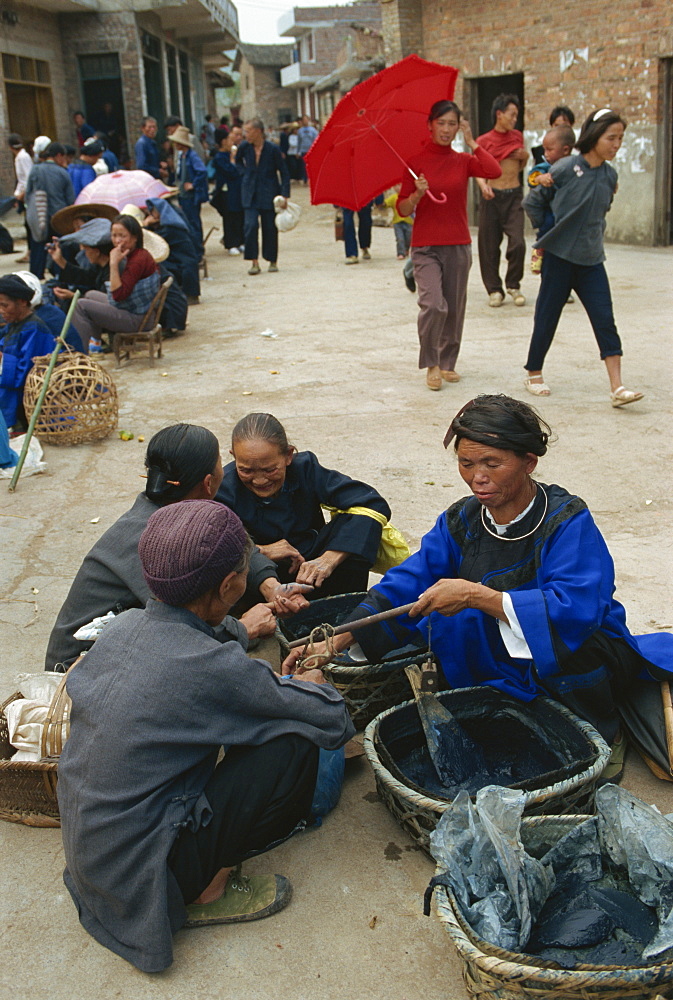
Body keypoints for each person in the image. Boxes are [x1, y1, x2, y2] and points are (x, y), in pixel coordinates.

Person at [283, 394, 673, 779]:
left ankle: (602, 728)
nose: (477, 477)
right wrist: (340, 637)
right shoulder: (463, 519)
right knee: (447, 622)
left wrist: (476, 596)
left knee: (554, 640)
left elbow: (577, 608)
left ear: (528, 462)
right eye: (466, 463)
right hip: (503, 652)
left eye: (492, 463)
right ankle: (498, 710)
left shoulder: (566, 520)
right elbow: (411, 580)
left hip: (573, 651)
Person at [57, 497, 354, 972]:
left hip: (95, 861)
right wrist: (311, 680)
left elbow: (191, 635)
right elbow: (333, 721)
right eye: (244, 571)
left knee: (246, 716)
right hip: (145, 882)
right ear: (230, 585)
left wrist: (239, 634)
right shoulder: (209, 670)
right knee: (293, 740)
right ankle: (205, 890)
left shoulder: (123, 626)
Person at [45, 424, 309, 670]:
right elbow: (181, 621)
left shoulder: (179, 514)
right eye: (221, 464)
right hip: (80, 666)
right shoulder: (153, 537)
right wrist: (243, 629)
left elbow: (229, 545)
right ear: (208, 483)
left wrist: (271, 585)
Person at [523, 108, 643, 407]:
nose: (616, 144)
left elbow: (601, 210)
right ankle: (534, 372)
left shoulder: (610, 175)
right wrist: (548, 229)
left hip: (591, 261)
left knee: (605, 319)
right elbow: (533, 200)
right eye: (611, 138)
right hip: (559, 257)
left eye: (620, 139)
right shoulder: (566, 167)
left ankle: (617, 387)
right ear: (594, 136)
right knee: (547, 317)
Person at [216, 412, 391, 601]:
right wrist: (262, 551)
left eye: (270, 469)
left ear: (289, 456)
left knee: (361, 523)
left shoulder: (305, 469)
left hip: (313, 567)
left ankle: (344, 605)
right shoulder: (224, 489)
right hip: (259, 579)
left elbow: (371, 502)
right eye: (246, 470)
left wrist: (328, 560)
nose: (259, 480)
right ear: (234, 458)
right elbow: (210, 547)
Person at [397, 100, 501, 390]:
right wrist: (417, 194)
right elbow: (403, 210)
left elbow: (492, 170)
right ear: (430, 125)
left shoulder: (463, 161)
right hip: (425, 246)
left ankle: (447, 362)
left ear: (459, 126)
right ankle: (431, 362)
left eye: (452, 124)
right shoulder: (414, 162)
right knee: (433, 305)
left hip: (458, 244)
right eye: (441, 123)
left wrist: (472, 143)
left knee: (454, 307)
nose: (446, 129)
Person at [69, 213, 160, 351]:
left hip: (139, 319)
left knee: (81, 306)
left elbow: (118, 295)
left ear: (135, 237)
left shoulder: (138, 260)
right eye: (114, 235)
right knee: (90, 294)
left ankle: (80, 354)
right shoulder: (134, 254)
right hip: (134, 309)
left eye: (122, 236)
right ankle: (96, 343)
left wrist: (113, 264)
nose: (117, 241)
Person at [476, 94, 529, 307]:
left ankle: (513, 284)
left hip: (514, 195)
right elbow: (478, 168)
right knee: (489, 245)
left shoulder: (517, 137)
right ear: (500, 114)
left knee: (518, 242)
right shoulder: (484, 141)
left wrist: (524, 158)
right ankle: (494, 290)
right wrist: (483, 185)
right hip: (492, 196)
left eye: (516, 115)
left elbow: (519, 164)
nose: (515, 119)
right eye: (512, 115)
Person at [0, 274, 56, 430]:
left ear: (22, 302)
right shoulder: (13, 325)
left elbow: (27, 374)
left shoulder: (34, 329)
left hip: (24, 398)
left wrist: (3, 361)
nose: (1, 311)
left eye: (5, 305)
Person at [237, 118, 290, 275]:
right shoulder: (244, 147)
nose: (245, 134)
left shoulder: (272, 149)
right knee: (250, 226)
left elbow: (284, 172)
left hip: (269, 193)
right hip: (250, 193)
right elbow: (238, 162)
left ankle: (272, 260)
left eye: (248, 131)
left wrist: (285, 195)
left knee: (269, 228)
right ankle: (254, 261)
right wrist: (244, 174)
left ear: (258, 131)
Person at [527, 125, 575, 274]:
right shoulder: (546, 167)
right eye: (544, 149)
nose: (546, 154)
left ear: (566, 150)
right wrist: (541, 179)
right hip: (551, 210)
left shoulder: (576, 166)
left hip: (568, 211)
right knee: (548, 224)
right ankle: (540, 246)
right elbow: (532, 178)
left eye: (549, 150)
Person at [24, 141, 74, 280]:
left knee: (37, 246)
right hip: (59, 217)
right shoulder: (63, 173)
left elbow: (28, 193)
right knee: (58, 247)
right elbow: (70, 199)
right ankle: (59, 275)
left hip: (39, 216)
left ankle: (35, 276)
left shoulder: (35, 169)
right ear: (58, 155)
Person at [144, 197, 201, 301]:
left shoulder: (170, 228)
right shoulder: (169, 223)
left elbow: (153, 241)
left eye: (152, 211)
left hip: (182, 263)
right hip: (179, 258)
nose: (150, 214)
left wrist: (146, 225)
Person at [168, 124, 209, 260]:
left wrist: (193, 185)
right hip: (183, 195)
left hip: (191, 196)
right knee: (189, 223)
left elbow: (202, 171)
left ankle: (198, 252)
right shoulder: (182, 156)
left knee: (194, 224)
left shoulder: (192, 156)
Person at [212, 126, 244, 255]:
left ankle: (241, 241)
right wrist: (232, 160)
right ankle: (231, 243)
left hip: (237, 190)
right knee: (229, 217)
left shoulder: (232, 155)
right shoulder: (219, 157)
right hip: (226, 192)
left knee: (239, 216)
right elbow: (232, 172)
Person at [8, 133, 33, 263]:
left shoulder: (22, 158)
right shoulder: (21, 157)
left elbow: (27, 179)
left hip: (26, 195)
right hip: (22, 193)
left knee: (29, 224)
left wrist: (21, 195)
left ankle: (30, 252)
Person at [384, 185, 413, 259]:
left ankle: (406, 249)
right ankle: (400, 252)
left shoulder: (410, 197)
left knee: (408, 238)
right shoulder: (394, 197)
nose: (398, 188)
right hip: (397, 222)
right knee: (400, 238)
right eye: (396, 186)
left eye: (400, 185)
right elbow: (385, 204)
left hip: (409, 222)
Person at [134, 116, 167, 181]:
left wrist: (160, 164)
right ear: (143, 128)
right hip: (148, 180)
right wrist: (158, 171)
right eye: (149, 127)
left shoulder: (153, 143)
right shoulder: (142, 144)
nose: (152, 130)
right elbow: (141, 166)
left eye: (154, 127)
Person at [296, 114, 318, 182]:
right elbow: (299, 142)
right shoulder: (300, 131)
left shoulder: (313, 130)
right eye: (304, 120)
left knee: (312, 165)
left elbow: (316, 140)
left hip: (311, 151)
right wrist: (298, 151)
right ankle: (305, 179)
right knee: (304, 165)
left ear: (308, 120)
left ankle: (312, 178)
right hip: (303, 150)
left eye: (306, 119)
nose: (305, 121)